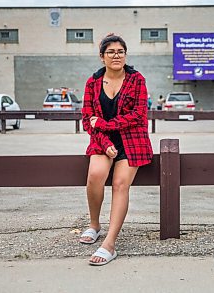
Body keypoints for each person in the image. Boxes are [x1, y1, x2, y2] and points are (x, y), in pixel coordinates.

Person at [79, 33, 153, 266]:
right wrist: (105, 141)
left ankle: (110, 244)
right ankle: (94, 225)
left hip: (132, 140)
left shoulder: (136, 79)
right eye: (110, 52)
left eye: (120, 51)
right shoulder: (92, 83)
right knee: (95, 176)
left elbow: (139, 115)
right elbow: (87, 119)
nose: (116, 55)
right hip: (102, 141)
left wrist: (105, 124)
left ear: (125, 55)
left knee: (121, 185)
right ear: (102, 57)